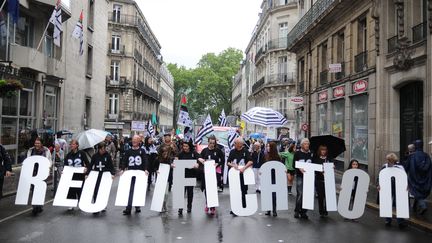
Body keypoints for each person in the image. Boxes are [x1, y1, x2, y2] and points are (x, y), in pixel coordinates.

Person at [377, 153, 407, 229]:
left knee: (399, 204)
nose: (389, 161)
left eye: (390, 160)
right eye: (388, 160)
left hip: (398, 187)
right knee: (387, 203)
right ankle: (388, 220)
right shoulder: (385, 166)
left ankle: (400, 221)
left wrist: (406, 185)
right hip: (387, 187)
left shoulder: (399, 167)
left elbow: (405, 177)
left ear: (394, 160)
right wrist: (379, 184)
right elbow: (380, 176)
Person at [120, 135, 148, 215]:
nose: (134, 141)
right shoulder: (128, 151)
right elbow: (124, 161)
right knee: (130, 190)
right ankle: (128, 208)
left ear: (139, 142)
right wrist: (122, 169)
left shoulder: (142, 151)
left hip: (139, 173)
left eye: (136, 140)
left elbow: (145, 160)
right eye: (133, 140)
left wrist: (146, 169)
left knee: (138, 190)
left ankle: (137, 205)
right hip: (130, 173)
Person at [86, 142, 115, 215]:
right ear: (99, 149)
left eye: (105, 149)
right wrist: (87, 174)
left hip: (105, 176)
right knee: (96, 190)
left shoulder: (107, 156)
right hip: (97, 175)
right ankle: (96, 205)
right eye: (102, 149)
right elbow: (90, 165)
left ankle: (103, 205)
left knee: (103, 191)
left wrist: (112, 174)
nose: (104, 150)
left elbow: (111, 166)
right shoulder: (95, 156)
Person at [404, 140, 432, 215]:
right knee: (417, 192)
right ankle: (414, 207)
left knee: (415, 191)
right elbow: (429, 168)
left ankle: (423, 205)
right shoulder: (426, 156)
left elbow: (406, 167)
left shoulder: (412, 156)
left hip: (414, 178)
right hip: (424, 179)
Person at [227, 138, 253, 216]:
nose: (234, 144)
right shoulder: (232, 151)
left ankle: (244, 207)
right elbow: (228, 162)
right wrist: (233, 165)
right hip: (234, 175)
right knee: (235, 192)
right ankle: (235, 208)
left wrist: (244, 168)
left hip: (243, 175)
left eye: (235, 143)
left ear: (240, 144)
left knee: (244, 191)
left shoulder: (246, 151)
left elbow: (250, 161)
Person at [199, 136, 225, 215]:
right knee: (207, 189)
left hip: (215, 171)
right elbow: (200, 159)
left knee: (213, 189)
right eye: (210, 143)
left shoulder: (218, 150)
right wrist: (202, 161)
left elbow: (223, 160)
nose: (212, 145)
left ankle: (213, 206)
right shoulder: (204, 150)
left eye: (213, 143)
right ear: (208, 142)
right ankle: (207, 204)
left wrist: (218, 164)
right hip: (207, 172)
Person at [27, 137, 52, 215]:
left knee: (40, 190)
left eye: (38, 143)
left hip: (42, 173)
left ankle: (39, 205)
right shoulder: (31, 150)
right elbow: (28, 160)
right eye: (35, 143)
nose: (36, 144)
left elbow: (49, 161)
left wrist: (48, 168)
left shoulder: (46, 151)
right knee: (34, 190)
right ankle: (35, 206)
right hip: (33, 173)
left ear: (41, 144)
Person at [176, 140, 201, 215]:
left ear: (189, 146)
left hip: (191, 175)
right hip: (182, 175)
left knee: (190, 192)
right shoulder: (180, 154)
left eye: (186, 146)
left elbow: (199, 158)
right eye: (184, 146)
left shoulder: (194, 153)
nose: (185, 148)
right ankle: (180, 208)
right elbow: (176, 160)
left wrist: (197, 164)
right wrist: (175, 161)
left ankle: (189, 206)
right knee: (181, 192)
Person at [64, 139, 89, 211]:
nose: (72, 145)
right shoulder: (68, 155)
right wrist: (64, 171)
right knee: (71, 190)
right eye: (71, 144)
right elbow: (65, 165)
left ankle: (81, 203)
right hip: (71, 175)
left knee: (80, 189)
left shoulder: (82, 153)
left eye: (73, 144)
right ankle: (71, 203)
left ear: (77, 145)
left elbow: (87, 163)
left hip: (80, 175)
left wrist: (86, 170)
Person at [293, 138, 312, 219]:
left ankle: (304, 212)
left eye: (308, 144)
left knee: (307, 194)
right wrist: (299, 168)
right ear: (301, 145)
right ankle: (297, 211)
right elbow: (294, 164)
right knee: (300, 194)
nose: (307, 145)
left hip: (309, 177)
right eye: (305, 144)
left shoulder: (311, 154)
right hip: (300, 176)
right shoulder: (297, 153)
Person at [263, 142, 283, 217]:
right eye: (267, 146)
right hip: (267, 177)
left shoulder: (277, 157)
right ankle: (268, 209)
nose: (268, 147)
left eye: (269, 146)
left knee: (274, 195)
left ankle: (274, 210)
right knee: (267, 194)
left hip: (274, 177)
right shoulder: (265, 155)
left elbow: (281, 166)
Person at [156, 143, 175, 213]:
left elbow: (170, 166)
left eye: (166, 152)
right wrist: (156, 170)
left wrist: (171, 165)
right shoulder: (158, 159)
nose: (165, 153)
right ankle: (160, 205)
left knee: (166, 193)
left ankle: (164, 204)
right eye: (164, 152)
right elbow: (154, 166)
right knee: (160, 193)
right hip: (160, 178)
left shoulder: (169, 159)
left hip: (166, 178)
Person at [312, 145, 330, 218]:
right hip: (319, 180)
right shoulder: (316, 159)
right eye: (322, 150)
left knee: (327, 196)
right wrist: (320, 171)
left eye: (325, 150)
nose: (323, 151)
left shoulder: (329, 158)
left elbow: (332, 166)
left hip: (328, 180)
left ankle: (326, 210)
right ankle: (321, 210)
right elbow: (314, 168)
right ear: (320, 151)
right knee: (320, 196)